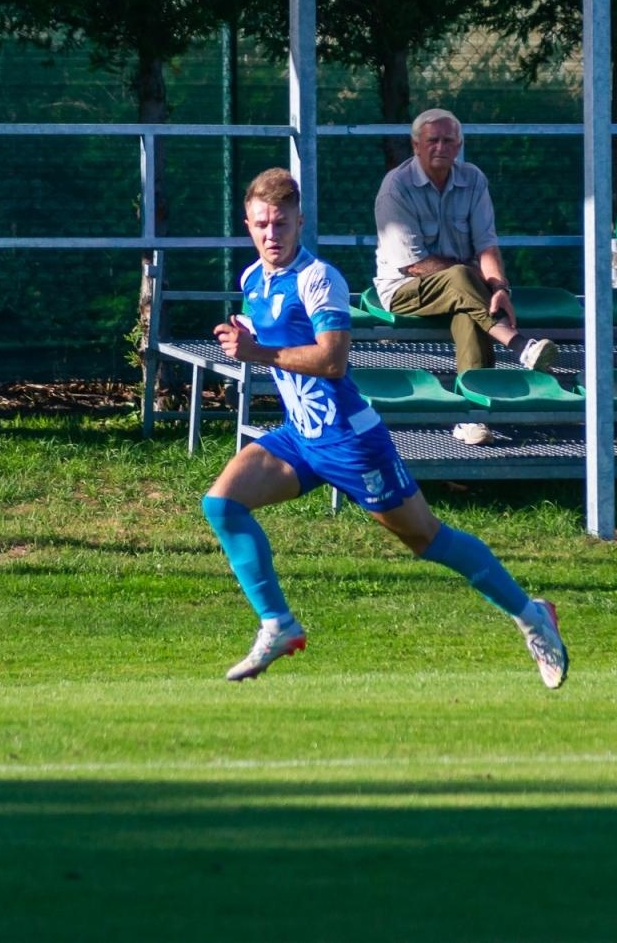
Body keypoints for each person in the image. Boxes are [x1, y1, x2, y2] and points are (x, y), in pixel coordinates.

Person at [204, 169, 568, 687]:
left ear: (299, 222)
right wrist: (244, 333)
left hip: (352, 442)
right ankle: (278, 623)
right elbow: (268, 335)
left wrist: (257, 351)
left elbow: (333, 361)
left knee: (428, 539)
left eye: (281, 223)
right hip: (300, 437)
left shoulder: (318, 278)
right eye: (261, 224)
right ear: (247, 224)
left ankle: (531, 615)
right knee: (221, 503)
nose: (271, 234)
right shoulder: (252, 279)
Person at [374, 108, 559, 446]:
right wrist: (474, 278)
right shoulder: (395, 187)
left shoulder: (473, 179)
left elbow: (486, 242)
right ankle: (519, 346)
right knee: (461, 278)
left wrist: (497, 286)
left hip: (464, 289)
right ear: (416, 146)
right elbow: (412, 264)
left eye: (448, 140)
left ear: (458, 146)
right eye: (432, 140)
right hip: (404, 289)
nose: (440, 147)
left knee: (468, 314)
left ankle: (473, 416)